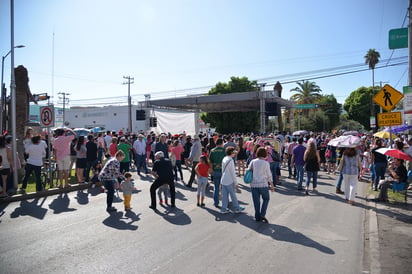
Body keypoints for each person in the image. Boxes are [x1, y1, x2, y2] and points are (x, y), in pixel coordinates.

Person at [247, 147, 274, 222]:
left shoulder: (253, 161)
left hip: (253, 184)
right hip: (263, 184)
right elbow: (269, 175)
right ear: (265, 154)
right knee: (266, 199)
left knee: (256, 201)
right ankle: (262, 214)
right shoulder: (266, 163)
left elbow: (248, 170)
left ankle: (257, 216)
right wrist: (272, 185)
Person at [220, 147, 245, 214]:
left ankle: (223, 209)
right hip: (229, 180)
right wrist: (236, 183)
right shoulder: (231, 160)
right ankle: (237, 208)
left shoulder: (224, 158)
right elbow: (233, 173)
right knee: (233, 194)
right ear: (231, 153)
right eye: (234, 152)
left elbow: (222, 170)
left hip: (224, 179)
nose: (234, 153)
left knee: (224, 195)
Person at [209, 138, 225, 208]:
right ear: (221, 143)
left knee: (216, 187)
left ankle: (216, 202)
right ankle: (225, 201)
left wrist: (211, 170)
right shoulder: (224, 150)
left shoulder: (212, 151)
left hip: (215, 170)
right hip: (223, 170)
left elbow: (210, 162)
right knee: (224, 187)